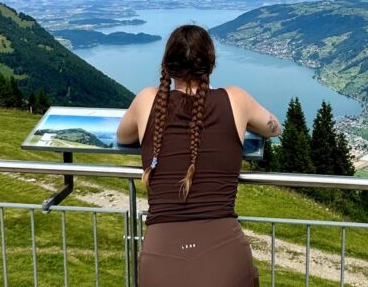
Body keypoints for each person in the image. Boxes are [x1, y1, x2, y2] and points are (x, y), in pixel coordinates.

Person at [117, 24, 282, 287]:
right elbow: (273, 127)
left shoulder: (148, 100)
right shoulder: (235, 99)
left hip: (160, 260)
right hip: (226, 259)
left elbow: (122, 136)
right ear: (210, 64)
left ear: (168, 65)